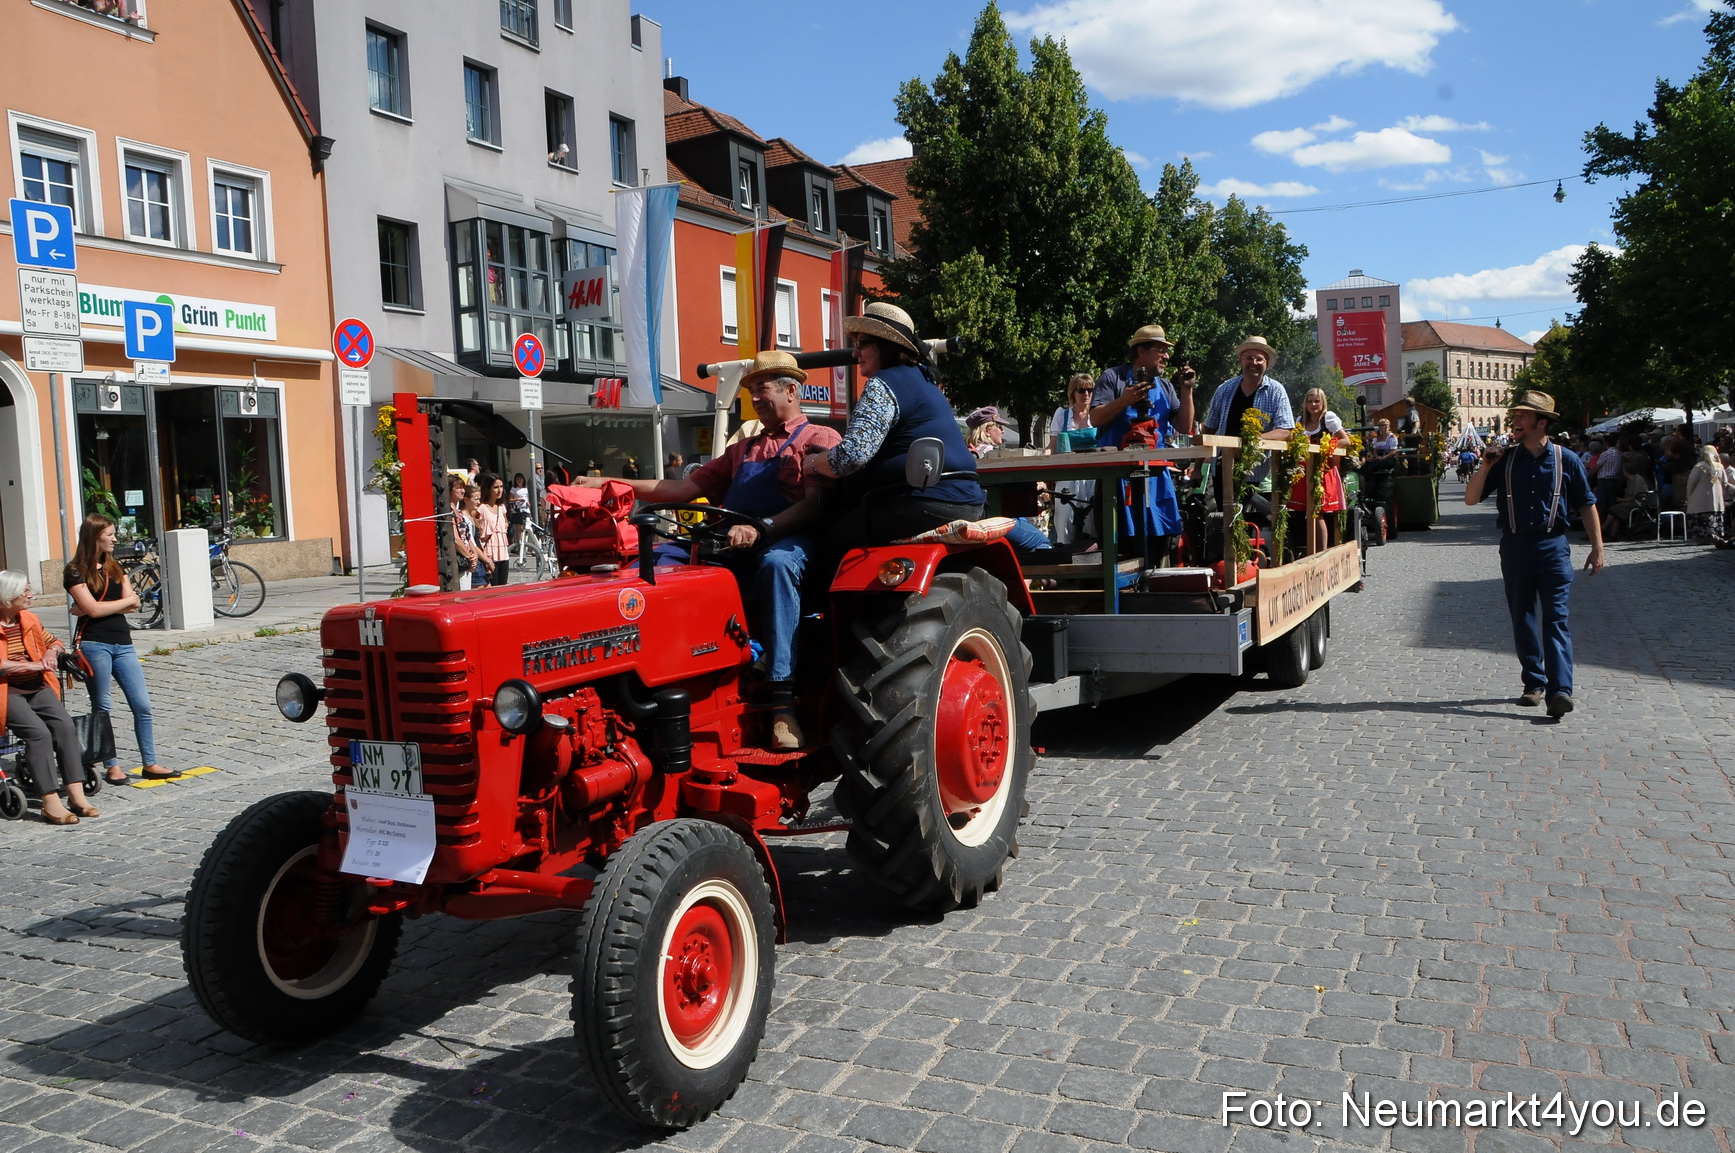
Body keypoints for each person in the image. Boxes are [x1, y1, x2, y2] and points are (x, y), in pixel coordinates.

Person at [583, 351, 839, 751]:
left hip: (794, 542)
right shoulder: (743, 450)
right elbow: (681, 490)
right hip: (735, 541)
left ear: (791, 389)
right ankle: (653, 670)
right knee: (661, 561)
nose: (755, 398)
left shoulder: (819, 439)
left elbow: (817, 505)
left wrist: (761, 527)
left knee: (777, 564)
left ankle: (781, 704)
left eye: (763, 388)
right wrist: (607, 484)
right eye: (752, 390)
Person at [1464, 390, 1603, 719]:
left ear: (1542, 423)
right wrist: (1485, 465)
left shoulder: (1565, 459)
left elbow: (1586, 502)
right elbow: (1471, 499)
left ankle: (1560, 691)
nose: (1516, 421)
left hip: (1553, 546)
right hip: (1514, 546)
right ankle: (1534, 683)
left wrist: (1598, 546)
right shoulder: (1504, 458)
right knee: (1523, 616)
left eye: (1523, 416)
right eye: (1515, 416)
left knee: (1556, 618)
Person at [807, 302, 984, 548]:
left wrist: (812, 464)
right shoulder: (926, 380)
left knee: (821, 545)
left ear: (885, 345)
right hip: (968, 501)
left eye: (861, 344)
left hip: (920, 504)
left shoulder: (883, 383)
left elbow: (851, 457)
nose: (854, 353)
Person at [64, 515, 178, 784]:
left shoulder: (115, 567)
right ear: (94, 537)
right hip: (94, 644)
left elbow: (134, 602)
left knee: (142, 705)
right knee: (102, 705)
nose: (115, 539)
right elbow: (96, 608)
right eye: (110, 534)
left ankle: (150, 762)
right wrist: (107, 605)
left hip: (123, 643)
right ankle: (112, 765)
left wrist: (96, 607)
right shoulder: (75, 570)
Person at [0, 571, 98, 824]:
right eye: (25, 592)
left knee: (64, 726)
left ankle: (76, 796)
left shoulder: (28, 618)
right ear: (7, 597)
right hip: (6, 690)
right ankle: (50, 801)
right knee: (38, 733)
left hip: (37, 686)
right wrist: (30, 666)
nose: (31, 595)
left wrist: (51, 653)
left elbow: (53, 641)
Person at [1089, 324, 1197, 449]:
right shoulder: (1114, 377)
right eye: (1162, 351)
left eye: (1167, 352)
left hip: (1157, 465)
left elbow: (1184, 427)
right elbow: (1095, 419)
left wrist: (1187, 389)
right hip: (1117, 465)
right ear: (1141, 351)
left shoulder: (1166, 387)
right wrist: (1124, 401)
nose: (1167, 357)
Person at [1284, 388, 1347, 556]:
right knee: (1304, 512)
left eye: (1317, 401)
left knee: (1317, 512)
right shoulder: (1300, 421)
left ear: (1323, 403)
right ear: (1305, 403)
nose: (1313, 404)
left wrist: (1326, 447)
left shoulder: (1328, 419)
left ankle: (1321, 553)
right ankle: (1305, 550)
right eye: (1310, 401)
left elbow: (1345, 440)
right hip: (1304, 471)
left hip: (1323, 470)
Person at [1048, 373, 1099, 546]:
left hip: (1093, 473)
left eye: (1090, 390)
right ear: (1073, 393)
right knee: (1064, 518)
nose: (1086, 394)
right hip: (1068, 472)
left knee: (1093, 518)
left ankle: (1093, 554)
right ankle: (1065, 554)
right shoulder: (1062, 415)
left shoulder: (1098, 414)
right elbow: (1052, 446)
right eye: (1081, 390)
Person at [1601, 454, 1653, 540]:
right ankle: (1612, 535)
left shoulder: (1638, 480)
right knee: (1615, 513)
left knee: (1614, 509)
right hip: (1629, 501)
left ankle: (1603, 528)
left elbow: (1637, 496)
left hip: (1637, 503)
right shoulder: (1629, 481)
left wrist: (1623, 500)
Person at [474, 473, 511, 586]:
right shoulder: (481, 508)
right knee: (492, 589)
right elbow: (474, 527)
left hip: (503, 551)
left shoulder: (501, 507)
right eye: (495, 487)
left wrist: (504, 526)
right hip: (489, 552)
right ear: (488, 488)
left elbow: (505, 522)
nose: (499, 490)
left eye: (501, 487)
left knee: (503, 587)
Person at [1685, 444, 1726, 544]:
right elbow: (1724, 482)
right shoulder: (1720, 467)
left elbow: (1691, 482)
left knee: (1700, 517)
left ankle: (1700, 537)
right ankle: (1713, 535)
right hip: (1716, 499)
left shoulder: (1699, 467)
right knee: (1713, 517)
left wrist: (1688, 494)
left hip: (1699, 499)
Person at [450, 477, 485, 589]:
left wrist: (473, 555)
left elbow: (468, 537)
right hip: (461, 561)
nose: (463, 491)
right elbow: (456, 539)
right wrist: (470, 557)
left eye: (463, 488)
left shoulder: (458, 511)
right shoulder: (448, 511)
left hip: (468, 561)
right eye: (459, 488)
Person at [507, 472, 531, 547]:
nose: (519, 480)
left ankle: (525, 543)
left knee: (526, 527)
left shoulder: (526, 489)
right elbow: (510, 499)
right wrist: (518, 499)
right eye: (517, 479)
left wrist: (528, 503)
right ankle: (519, 544)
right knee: (519, 528)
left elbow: (528, 499)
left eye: (521, 479)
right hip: (518, 510)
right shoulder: (514, 489)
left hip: (526, 509)